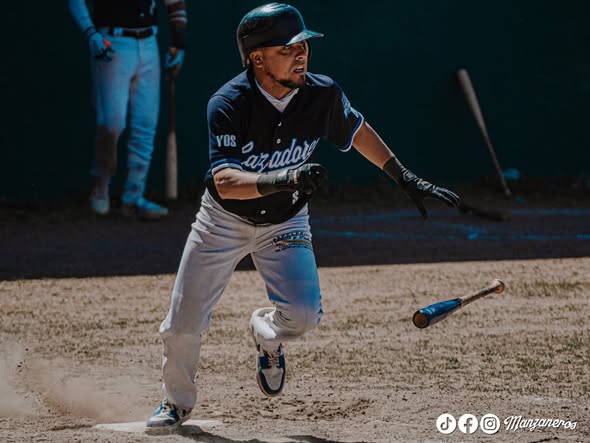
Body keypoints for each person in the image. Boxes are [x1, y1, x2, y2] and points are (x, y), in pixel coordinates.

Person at [146, 2, 460, 431]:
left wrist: (403, 176)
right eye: (287, 48)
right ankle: (176, 402)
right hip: (223, 221)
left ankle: (266, 335)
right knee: (183, 322)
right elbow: (225, 182)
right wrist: (286, 177)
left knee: (305, 315)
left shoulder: (321, 93)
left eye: (304, 46)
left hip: (285, 221)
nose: (301, 55)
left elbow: (357, 131)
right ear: (257, 58)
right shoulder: (228, 102)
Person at [68, 0, 188, 219]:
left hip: (149, 42)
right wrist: (90, 33)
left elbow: (174, 1)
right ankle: (100, 185)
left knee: (145, 125)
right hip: (112, 41)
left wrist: (178, 42)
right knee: (112, 124)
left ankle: (133, 196)